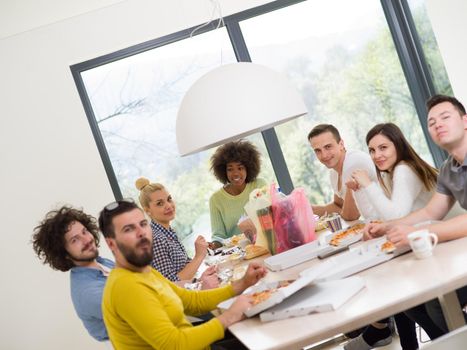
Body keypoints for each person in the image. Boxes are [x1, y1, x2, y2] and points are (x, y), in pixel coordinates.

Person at [98, 199, 267, 350]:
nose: (141, 232)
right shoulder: (126, 287)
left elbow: (192, 301)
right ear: (111, 243)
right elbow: (175, 345)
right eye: (129, 229)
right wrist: (230, 317)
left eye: (143, 224)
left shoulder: (144, 272)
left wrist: (242, 284)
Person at [365, 95, 467, 334]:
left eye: (445, 117)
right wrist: (387, 226)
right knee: (433, 302)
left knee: (436, 302)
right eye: (431, 122)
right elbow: (432, 211)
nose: (437, 125)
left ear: (465, 121)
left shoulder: (405, 169)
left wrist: (417, 232)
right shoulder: (448, 168)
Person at [344, 123, 441, 350]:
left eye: (383, 148)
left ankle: (447, 339)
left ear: (397, 145)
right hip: (426, 244)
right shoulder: (391, 173)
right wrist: (360, 190)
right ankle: (440, 340)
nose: (377, 155)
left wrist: (368, 184)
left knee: (406, 296)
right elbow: (378, 215)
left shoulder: (404, 170)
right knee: (405, 299)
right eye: (372, 150)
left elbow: (397, 214)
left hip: (443, 245)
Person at [31, 206, 114, 342]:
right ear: (64, 254)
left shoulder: (101, 263)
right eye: (75, 240)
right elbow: (138, 309)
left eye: (84, 231)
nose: (87, 239)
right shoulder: (88, 292)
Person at [135, 177, 218, 288]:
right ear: (147, 210)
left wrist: (202, 273)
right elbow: (171, 284)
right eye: (160, 203)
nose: (168, 206)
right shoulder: (156, 239)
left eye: (169, 199)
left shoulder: (167, 232)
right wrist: (199, 256)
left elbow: (184, 266)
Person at [307, 124, 377, 221]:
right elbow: (338, 206)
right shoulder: (334, 173)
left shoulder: (354, 164)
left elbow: (352, 215)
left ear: (341, 144)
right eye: (318, 151)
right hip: (376, 224)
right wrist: (307, 209)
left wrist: (344, 212)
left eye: (328, 147)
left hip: (392, 223)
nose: (324, 155)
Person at [209, 139, 267, 246]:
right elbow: (218, 235)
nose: (235, 173)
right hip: (237, 253)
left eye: (240, 168)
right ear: (223, 171)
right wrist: (213, 245)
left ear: (248, 168)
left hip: (265, 243)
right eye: (230, 169)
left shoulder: (259, 185)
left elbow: (271, 215)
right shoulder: (216, 199)